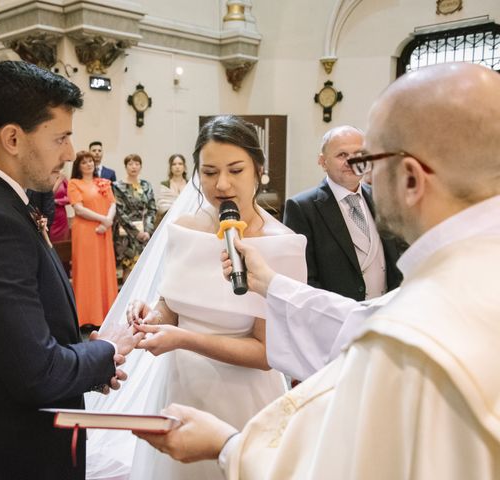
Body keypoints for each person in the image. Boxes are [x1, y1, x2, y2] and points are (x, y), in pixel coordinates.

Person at [136, 62, 500, 479]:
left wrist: (229, 446)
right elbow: (366, 319)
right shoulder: (466, 278)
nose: (361, 178)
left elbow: (341, 463)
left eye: (369, 162)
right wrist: (272, 283)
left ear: (412, 179)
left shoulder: (410, 344)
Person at [0, 61, 142, 480]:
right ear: (12, 138)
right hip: (11, 455)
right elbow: (37, 372)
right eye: (60, 138)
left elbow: (17, 337)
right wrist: (108, 349)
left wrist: (84, 358)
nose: (68, 153)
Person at [85, 115, 307, 480]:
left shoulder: (281, 244)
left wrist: (183, 339)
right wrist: (149, 319)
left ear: (259, 170)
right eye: (209, 172)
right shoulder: (185, 228)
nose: (222, 184)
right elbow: (170, 309)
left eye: (236, 170)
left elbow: (266, 354)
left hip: (241, 399)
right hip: (179, 389)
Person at [283, 126, 403, 301]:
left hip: (386, 312)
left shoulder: (383, 198)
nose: (352, 161)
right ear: (323, 162)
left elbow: (401, 253)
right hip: (337, 319)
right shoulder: (302, 208)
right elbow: (303, 277)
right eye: (342, 155)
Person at [68, 150, 118, 329]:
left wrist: (108, 220)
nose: (89, 164)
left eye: (90, 161)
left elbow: (112, 203)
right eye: (84, 162)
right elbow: (79, 209)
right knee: (87, 272)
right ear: (78, 166)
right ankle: (86, 317)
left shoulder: (102, 182)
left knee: (103, 270)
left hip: (104, 231)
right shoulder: (74, 183)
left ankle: (106, 314)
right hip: (86, 233)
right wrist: (102, 219)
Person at [112, 154, 157, 281]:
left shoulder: (146, 185)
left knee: (144, 267)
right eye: (130, 164)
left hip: (145, 233)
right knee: (129, 268)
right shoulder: (117, 186)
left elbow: (152, 208)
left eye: (137, 164)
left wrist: (147, 230)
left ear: (141, 167)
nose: (134, 167)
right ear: (125, 167)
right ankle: (128, 299)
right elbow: (119, 212)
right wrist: (136, 233)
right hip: (126, 233)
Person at [49, 170, 70, 242]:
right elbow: (47, 196)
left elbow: (71, 198)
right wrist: (58, 181)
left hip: (61, 216)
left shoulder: (63, 178)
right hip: (47, 214)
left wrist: (57, 201)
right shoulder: (44, 178)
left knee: (62, 244)